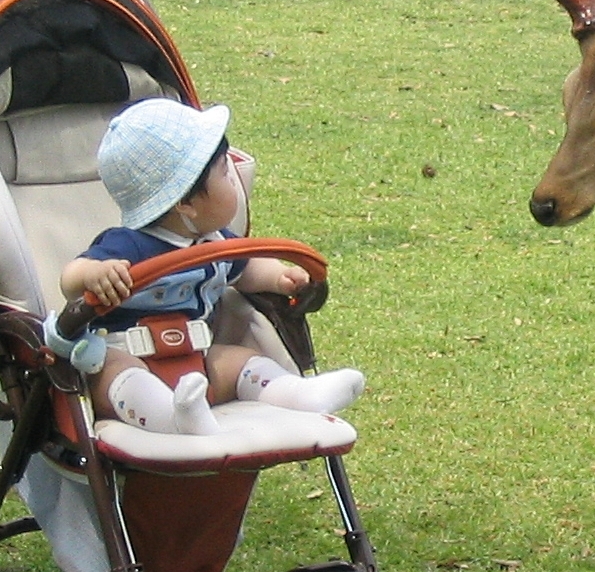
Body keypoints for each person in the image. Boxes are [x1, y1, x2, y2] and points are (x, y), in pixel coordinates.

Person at [51, 98, 363, 435]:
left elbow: (246, 270)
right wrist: (94, 275)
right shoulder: (129, 245)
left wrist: (281, 277)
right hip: (129, 351)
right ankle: (174, 419)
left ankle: (300, 394)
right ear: (186, 203)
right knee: (118, 374)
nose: (233, 182)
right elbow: (71, 279)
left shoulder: (215, 242)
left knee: (241, 362)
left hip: (197, 356)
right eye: (225, 174)